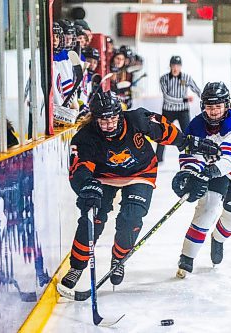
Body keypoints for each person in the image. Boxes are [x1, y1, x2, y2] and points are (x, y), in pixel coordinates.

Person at [60, 91, 220, 289]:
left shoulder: (136, 119)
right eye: (103, 121)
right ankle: (76, 266)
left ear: (119, 114)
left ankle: (118, 260)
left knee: (131, 217)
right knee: (92, 219)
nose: (109, 125)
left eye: (112, 118)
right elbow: (79, 168)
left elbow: (164, 130)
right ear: (95, 120)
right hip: (103, 176)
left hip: (140, 172)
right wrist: (86, 186)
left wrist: (186, 142)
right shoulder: (85, 137)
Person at [172, 82, 231, 278]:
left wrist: (205, 173)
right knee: (206, 209)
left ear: (226, 106)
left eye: (218, 107)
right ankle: (186, 258)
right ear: (203, 106)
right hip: (216, 172)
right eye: (209, 106)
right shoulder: (196, 125)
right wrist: (190, 173)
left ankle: (218, 239)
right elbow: (189, 154)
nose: (213, 111)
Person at [157, 55, 201, 162]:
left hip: (183, 111)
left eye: (177, 65)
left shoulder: (186, 78)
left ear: (181, 66)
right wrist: (184, 100)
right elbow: (167, 98)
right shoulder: (164, 79)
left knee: (188, 133)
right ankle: (158, 158)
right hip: (168, 110)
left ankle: (190, 155)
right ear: (170, 66)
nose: (175, 68)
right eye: (173, 65)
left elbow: (197, 90)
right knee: (163, 132)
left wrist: (206, 100)